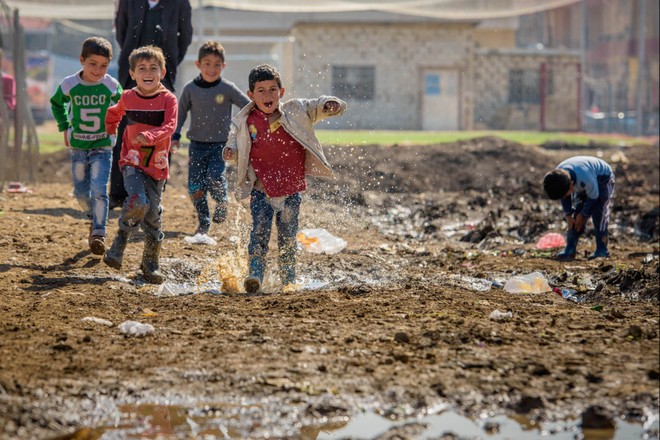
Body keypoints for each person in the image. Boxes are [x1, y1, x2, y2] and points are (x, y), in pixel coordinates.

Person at [223, 64, 347, 293]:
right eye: (261, 91)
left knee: (288, 235)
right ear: (251, 95)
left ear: (281, 91)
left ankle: (288, 277)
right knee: (259, 231)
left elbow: (315, 106)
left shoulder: (295, 110)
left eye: (272, 89)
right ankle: (255, 274)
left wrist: (330, 104)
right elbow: (234, 140)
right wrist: (230, 151)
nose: (267, 95)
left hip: (291, 190)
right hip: (261, 189)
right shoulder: (245, 120)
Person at [103, 45, 178, 284]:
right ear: (133, 73)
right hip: (131, 161)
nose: (148, 72)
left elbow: (170, 126)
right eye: (142, 68)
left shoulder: (168, 99)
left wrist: (152, 137)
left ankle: (150, 265)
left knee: (153, 215)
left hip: (157, 165)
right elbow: (113, 113)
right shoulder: (127, 96)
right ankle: (118, 245)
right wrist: (110, 131)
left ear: (162, 72)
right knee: (138, 201)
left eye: (153, 68)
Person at [109, 0, 193, 209]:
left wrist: (169, 63)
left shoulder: (180, 3)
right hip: (132, 74)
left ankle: (155, 192)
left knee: (162, 132)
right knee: (125, 131)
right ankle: (119, 194)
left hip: (162, 74)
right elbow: (122, 32)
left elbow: (185, 37)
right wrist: (135, 65)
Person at [49, 37, 122, 255]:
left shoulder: (111, 85)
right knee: (81, 193)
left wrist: (114, 123)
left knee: (99, 189)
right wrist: (64, 126)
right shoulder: (69, 84)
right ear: (81, 60)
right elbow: (56, 103)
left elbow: (124, 105)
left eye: (103, 65)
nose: (98, 70)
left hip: (103, 146)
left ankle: (99, 232)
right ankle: (93, 217)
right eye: (93, 64)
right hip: (79, 146)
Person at [172, 41, 250, 236]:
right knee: (195, 187)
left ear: (224, 66)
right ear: (198, 64)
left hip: (220, 146)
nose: (212, 68)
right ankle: (204, 221)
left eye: (217, 64)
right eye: (207, 63)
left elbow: (248, 106)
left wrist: (252, 126)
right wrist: (175, 136)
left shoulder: (227, 88)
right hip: (196, 145)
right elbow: (180, 114)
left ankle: (222, 201)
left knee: (215, 178)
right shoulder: (190, 89)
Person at [543, 156, 615, 261]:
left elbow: (594, 196)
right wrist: (568, 215)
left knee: (599, 213)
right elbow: (565, 196)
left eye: (565, 195)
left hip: (603, 178)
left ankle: (602, 250)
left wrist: (584, 214)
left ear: (571, 185)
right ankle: (570, 249)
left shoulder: (585, 178)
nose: (564, 197)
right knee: (575, 216)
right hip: (584, 180)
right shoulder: (558, 177)